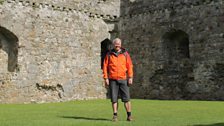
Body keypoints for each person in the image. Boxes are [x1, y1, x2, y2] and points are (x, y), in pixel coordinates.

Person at [103, 38, 133, 121]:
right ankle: (115, 115)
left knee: (126, 98)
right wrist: (106, 78)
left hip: (123, 79)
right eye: (116, 44)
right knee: (114, 99)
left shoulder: (125, 54)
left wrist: (130, 77)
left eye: (118, 44)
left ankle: (129, 116)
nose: (117, 45)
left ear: (121, 44)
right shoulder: (109, 54)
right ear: (113, 45)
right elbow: (105, 67)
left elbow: (129, 66)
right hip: (112, 79)